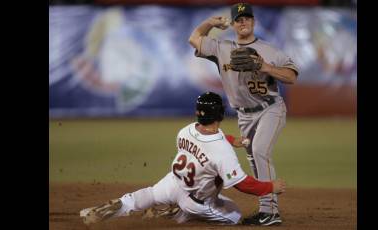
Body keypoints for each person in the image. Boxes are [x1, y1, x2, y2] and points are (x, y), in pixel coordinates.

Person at [79, 92, 286, 225]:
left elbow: (210, 139)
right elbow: (242, 184)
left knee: (148, 195)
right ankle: (177, 214)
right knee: (234, 217)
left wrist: (233, 140)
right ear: (220, 115)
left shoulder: (186, 130)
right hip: (194, 200)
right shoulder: (222, 151)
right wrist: (270, 187)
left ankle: (112, 207)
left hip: (172, 182)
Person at [188, 2, 299, 226]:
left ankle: (271, 212)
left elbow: (291, 76)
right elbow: (194, 38)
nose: (243, 22)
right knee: (253, 158)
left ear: (253, 21)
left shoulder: (270, 50)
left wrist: (267, 68)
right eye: (238, 19)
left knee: (259, 151)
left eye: (247, 18)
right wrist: (210, 23)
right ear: (234, 24)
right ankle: (266, 209)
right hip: (244, 115)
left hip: (270, 108)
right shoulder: (222, 47)